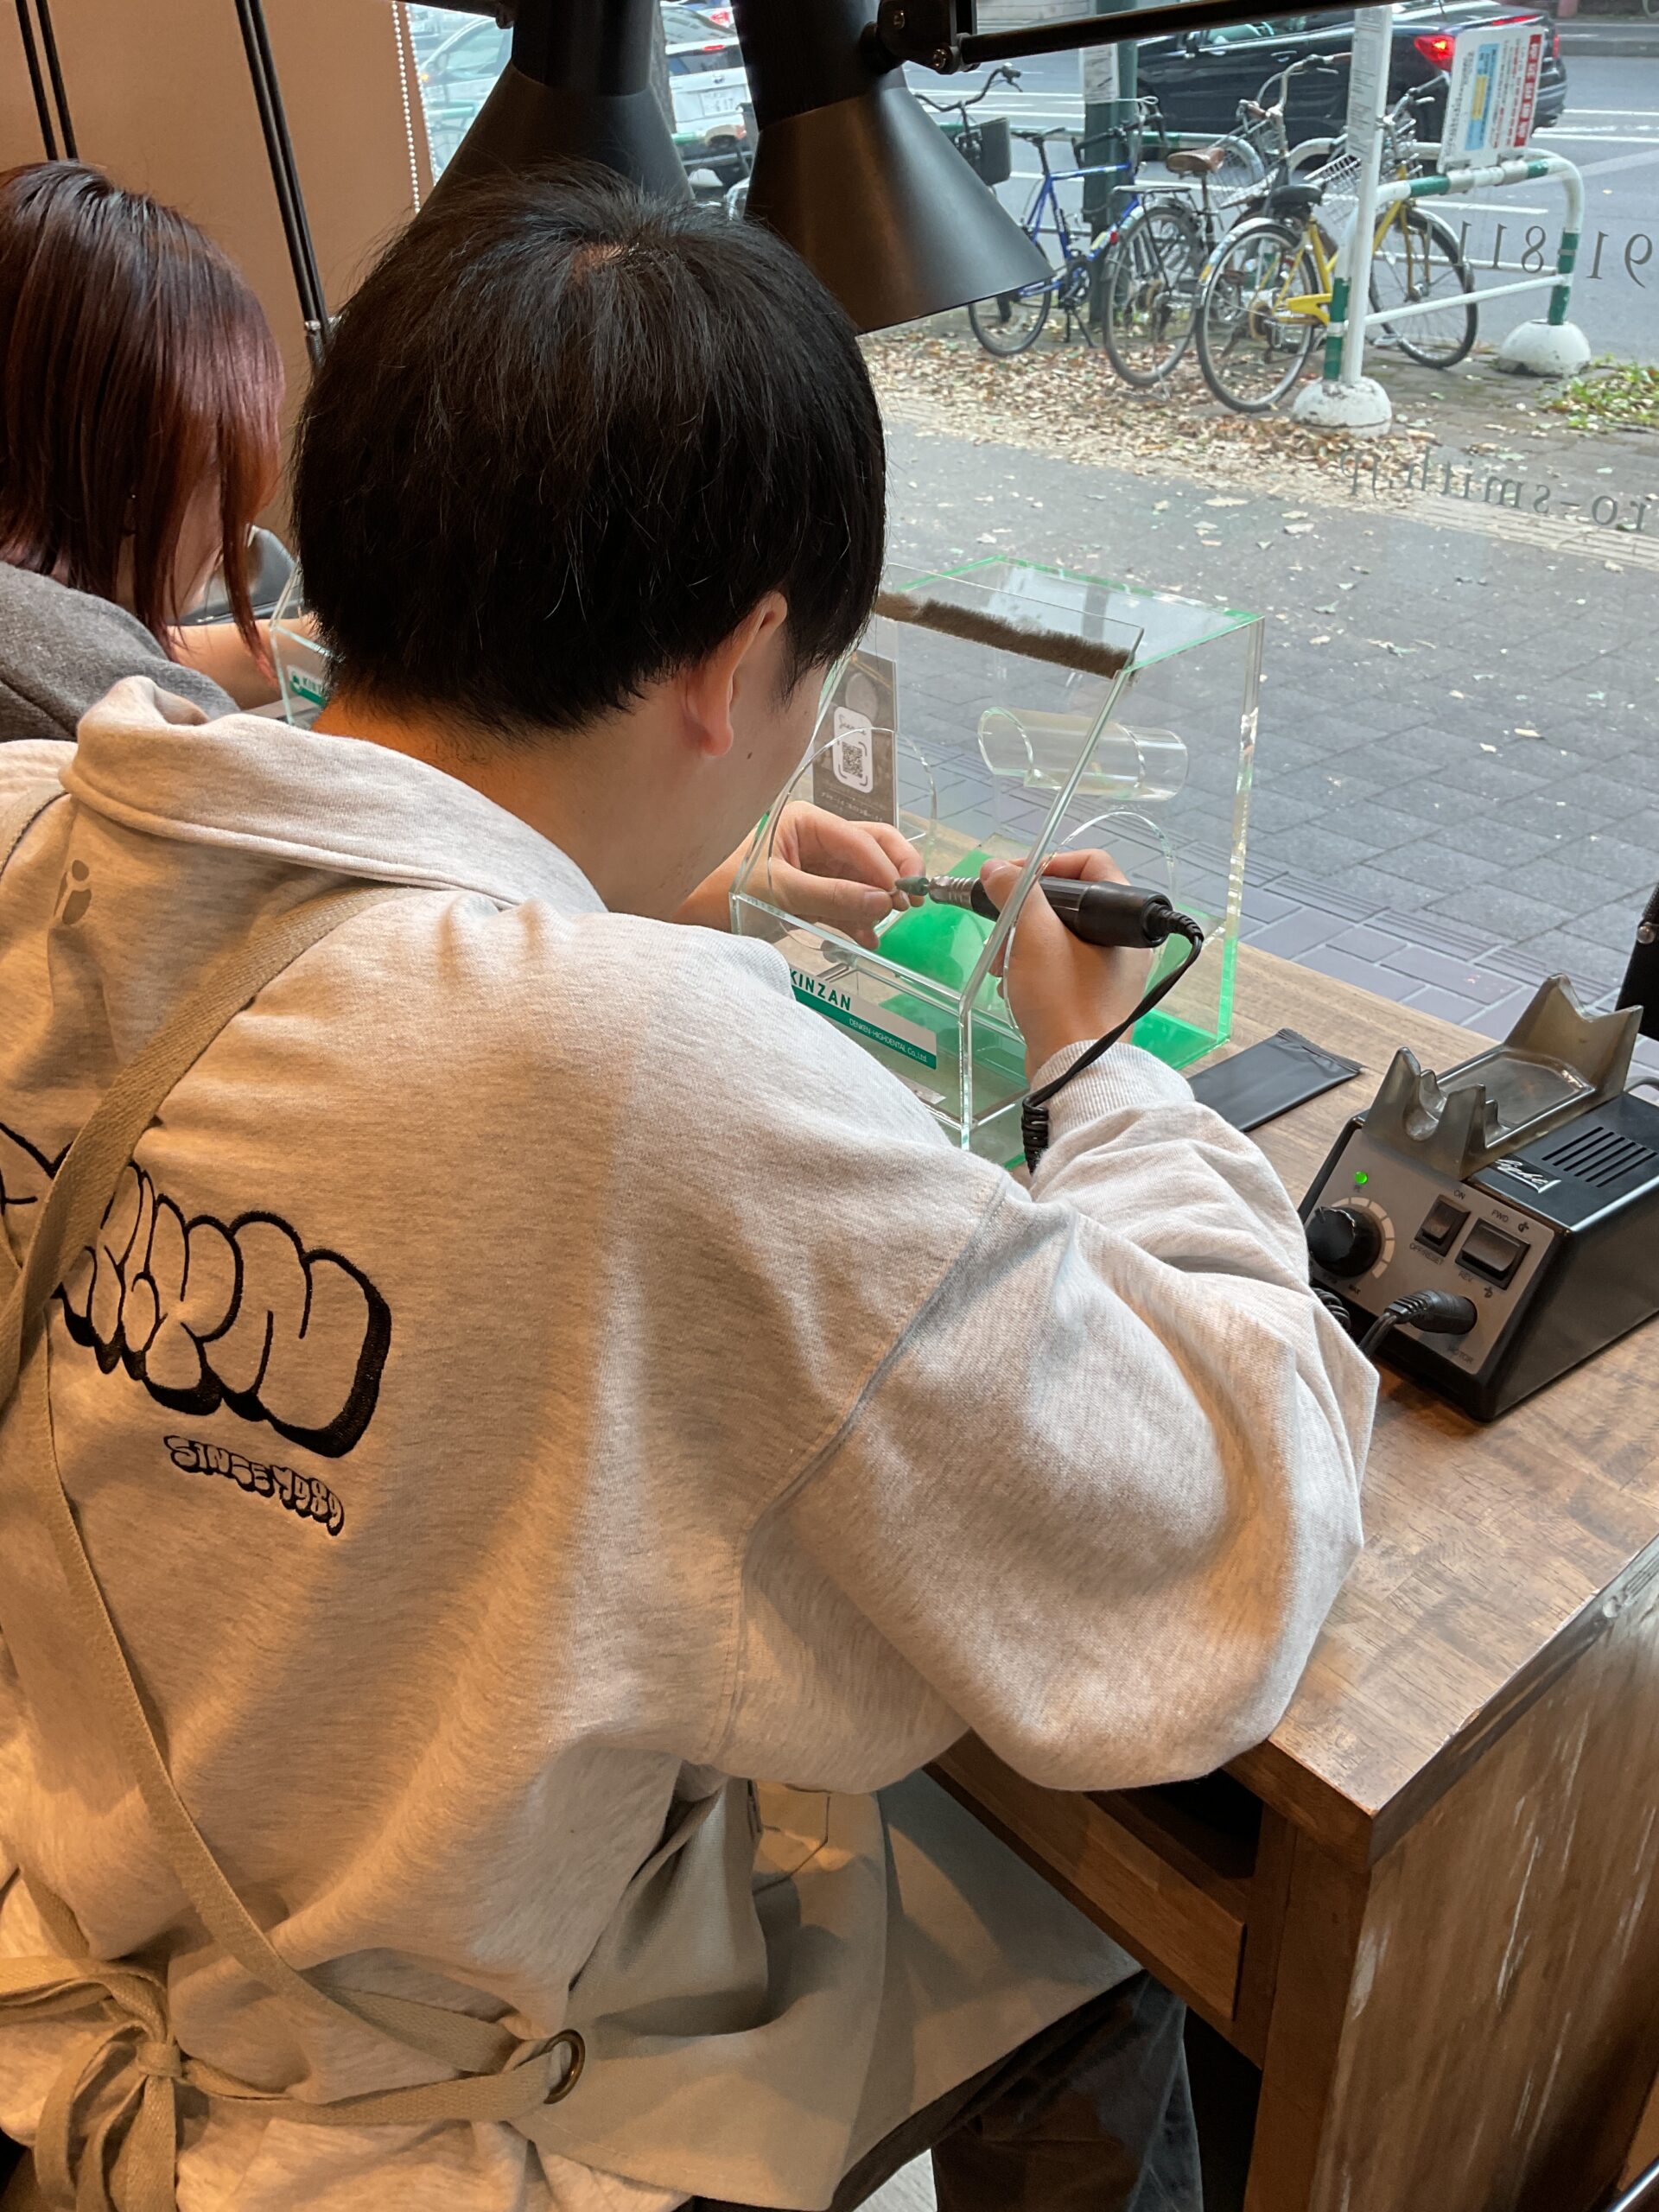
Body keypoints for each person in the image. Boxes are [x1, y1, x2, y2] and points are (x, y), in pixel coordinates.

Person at [0, 172, 1374, 2212]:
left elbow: (349, 899)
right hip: (397, 2125)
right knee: (1079, 1933)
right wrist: (1102, 1072)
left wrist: (659, 876)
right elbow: (1217, 1519)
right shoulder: (644, 1076)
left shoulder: (44, 826)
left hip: (77, 1931)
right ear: (740, 664)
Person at [0, 161, 284, 742]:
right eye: (227, 467)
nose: (239, 521)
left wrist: (323, 647)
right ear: (137, 474)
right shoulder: (113, 717)